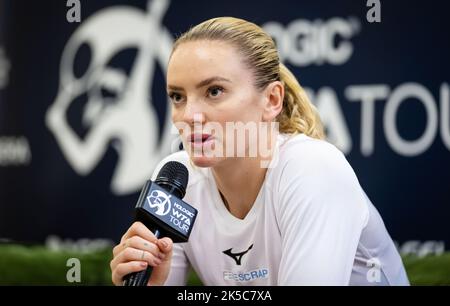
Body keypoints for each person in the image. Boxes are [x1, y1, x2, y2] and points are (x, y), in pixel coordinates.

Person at [110, 17, 409, 286]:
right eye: (177, 96)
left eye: (214, 91)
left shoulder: (313, 167)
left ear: (271, 100)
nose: (188, 114)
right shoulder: (179, 178)